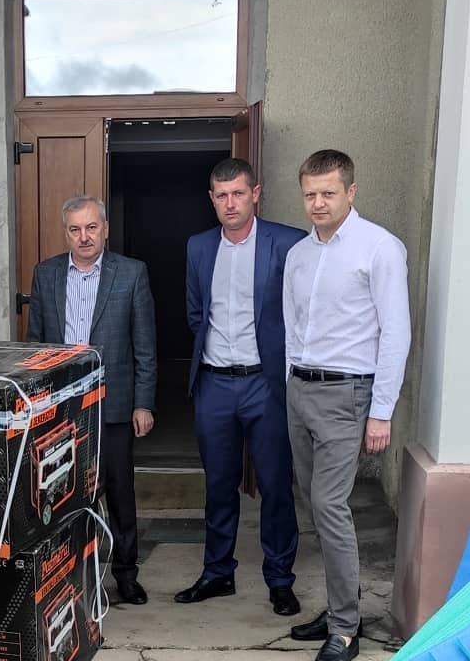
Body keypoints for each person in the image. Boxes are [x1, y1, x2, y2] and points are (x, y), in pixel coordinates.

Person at [282, 149, 411, 661]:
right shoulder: (298, 254)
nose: (318, 203)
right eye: (310, 194)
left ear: (351, 192)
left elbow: (396, 332)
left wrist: (381, 411)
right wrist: (288, 384)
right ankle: (341, 602)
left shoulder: (379, 248)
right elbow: (293, 325)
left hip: (346, 394)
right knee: (312, 503)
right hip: (300, 390)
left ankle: (344, 627)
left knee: (330, 504)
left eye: (328, 193)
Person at [176, 157, 306, 617]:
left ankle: (280, 579)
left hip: (265, 384)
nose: (230, 203)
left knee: (275, 485)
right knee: (218, 484)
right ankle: (218, 572)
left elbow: (301, 312)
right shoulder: (198, 246)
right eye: (221, 196)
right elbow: (196, 313)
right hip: (214, 383)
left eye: (238, 193)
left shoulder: (288, 242)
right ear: (211, 200)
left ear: (256, 194)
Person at [26, 195, 156, 605]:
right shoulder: (46, 274)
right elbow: (34, 346)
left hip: (114, 405)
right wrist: (36, 402)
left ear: (105, 229)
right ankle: (68, 574)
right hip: (60, 407)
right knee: (62, 490)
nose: (84, 237)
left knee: (119, 493)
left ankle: (126, 574)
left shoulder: (131, 273)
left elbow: (145, 346)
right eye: (75, 229)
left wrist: (143, 403)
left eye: (91, 228)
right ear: (65, 232)